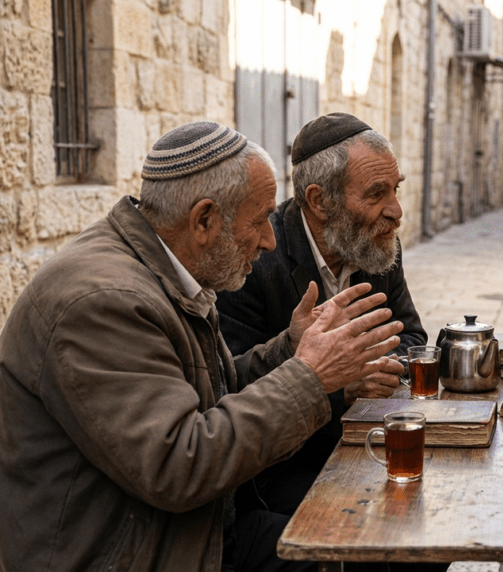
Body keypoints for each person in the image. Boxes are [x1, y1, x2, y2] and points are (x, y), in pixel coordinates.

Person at [0, 121, 405, 571]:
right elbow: (179, 464)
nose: (270, 239)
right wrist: (309, 376)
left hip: (196, 526)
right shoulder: (103, 302)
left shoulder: (167, 271)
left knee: (378, 547)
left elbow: (214, 394)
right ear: (204, 220)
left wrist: (291, 348)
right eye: (258, 221)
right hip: (130, 550)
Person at [215, 112, 427, 516]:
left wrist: (382, 367)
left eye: (395, 190)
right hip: (285, 465)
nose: (396, 211)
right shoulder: (254, 262)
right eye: (376, 193)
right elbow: (231, 382)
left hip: (370, 439)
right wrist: (338, 387)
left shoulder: (377, 246)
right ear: (319, 200)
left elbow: (413, 338)